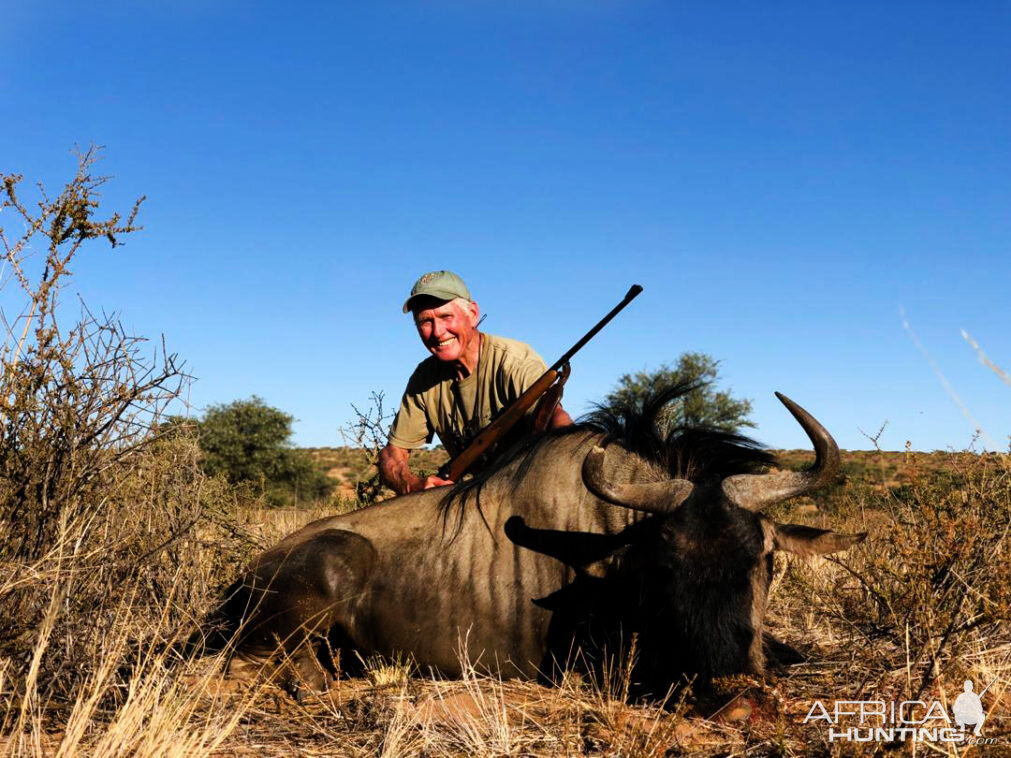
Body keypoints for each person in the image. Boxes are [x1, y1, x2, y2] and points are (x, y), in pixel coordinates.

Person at [378, 270, 573, 495]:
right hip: (474, 496)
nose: (437, 332)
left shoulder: (513, 361)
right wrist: (412, 485)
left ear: (472, 314)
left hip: (531, 490)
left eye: (445, 317)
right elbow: (392, 454)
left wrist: (571, 450)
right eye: (425, 321)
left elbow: (556, 419)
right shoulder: (424, 378)